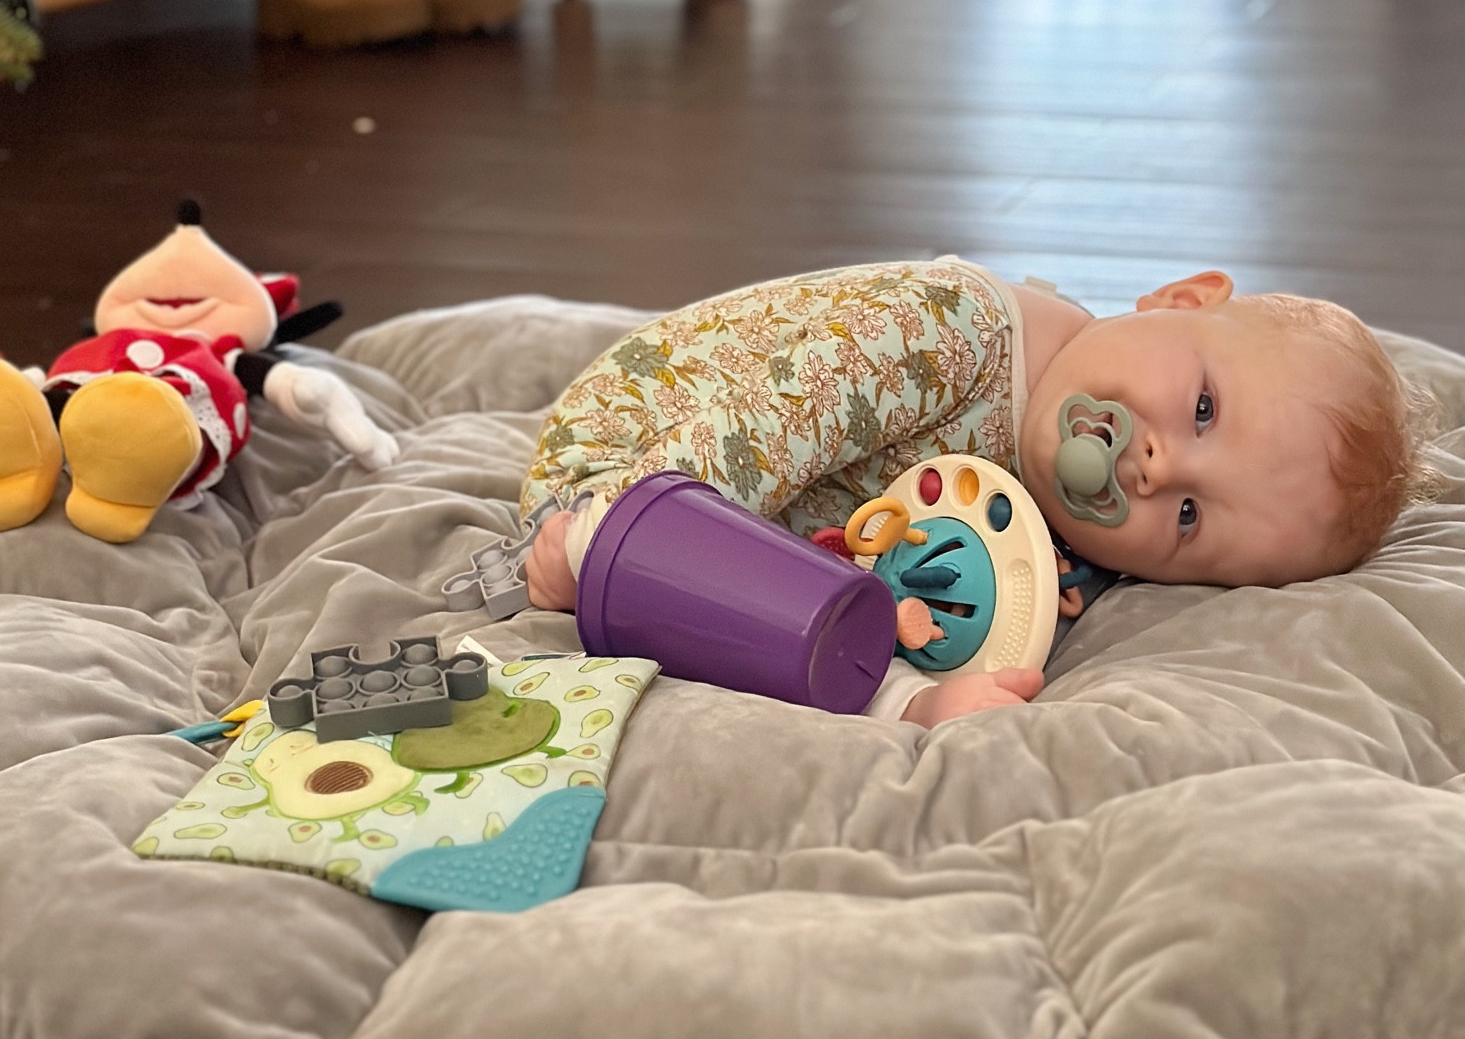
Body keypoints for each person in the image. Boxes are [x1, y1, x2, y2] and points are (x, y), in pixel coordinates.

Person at [519, 259, 1435, 728]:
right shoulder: (951, 332)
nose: (1156, 468)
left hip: (787, 542)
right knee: (747, 597)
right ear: (1179, 298)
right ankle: (600, 560)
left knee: (800, 637)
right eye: (1201, 408)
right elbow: (762, 421)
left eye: (1190, 517)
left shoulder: (1069, 528)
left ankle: (890, 694)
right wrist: (620, 530)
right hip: (646, 453)